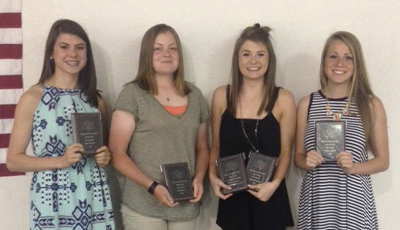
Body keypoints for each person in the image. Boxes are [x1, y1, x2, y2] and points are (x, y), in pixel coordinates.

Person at [6, 19, 115, 229]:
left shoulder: (97, 102)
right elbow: (14, 160)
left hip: (94, 195)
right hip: (53, 199)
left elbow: (104, 151)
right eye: (64, 47)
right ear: (51, 53)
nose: (73, 54)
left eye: (79, 48)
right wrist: (60, 161)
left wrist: (105, 156)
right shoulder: (32, 98)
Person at [109, 24, 209, 230]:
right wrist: (152, 187)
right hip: (144, 205)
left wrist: (199, 178)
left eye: (172, 48)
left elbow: (202, 148)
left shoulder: (195, 95)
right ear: (147, 54)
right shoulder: (133, 95)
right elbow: (117, 154)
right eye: (158, 48)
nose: (166, 54)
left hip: (185, 205)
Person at [295, 31, 389, 229]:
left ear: (357, 64)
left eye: (348, 58)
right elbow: (299, 157)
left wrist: (353, 167)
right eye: (333, 56)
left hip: (354, 205)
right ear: (324, 62)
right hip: (317, 202)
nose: (340, 64)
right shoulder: (307, 104)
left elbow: (383, 161)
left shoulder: (371, 104)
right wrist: (307, 161)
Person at [208, 23, 295, 230]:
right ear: (237, 59)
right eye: (246, 54)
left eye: (260, 54)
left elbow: (285, 151)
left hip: (269, 196)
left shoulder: (283, 99)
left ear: (269, 59)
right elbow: (216, 147)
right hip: (232, 196)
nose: (253, 61)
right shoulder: (222, 96)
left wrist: (274, 184)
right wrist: (212, 176)